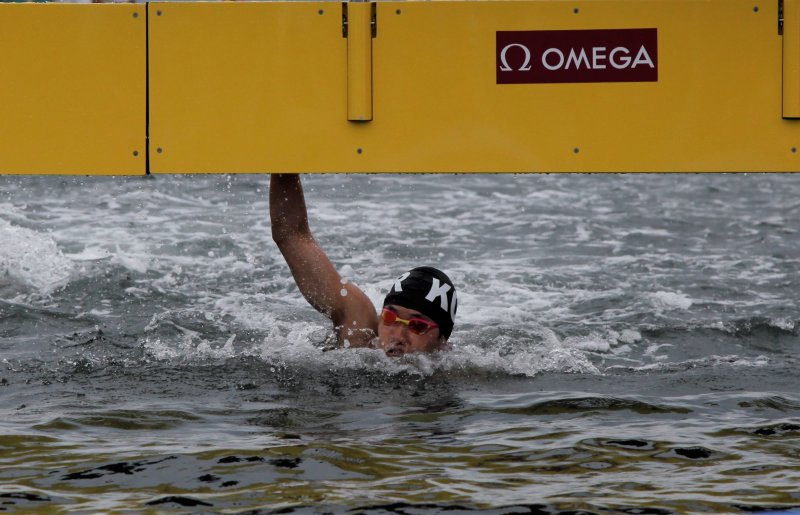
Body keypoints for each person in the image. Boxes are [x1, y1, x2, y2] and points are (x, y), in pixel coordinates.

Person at [269, 174, 457, 357]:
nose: (398, 336)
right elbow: (291, 235)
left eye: (417, 326)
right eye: (390, 318)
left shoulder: (460, 369)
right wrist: (285, 165)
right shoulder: (359, 335)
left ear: (442, 342)